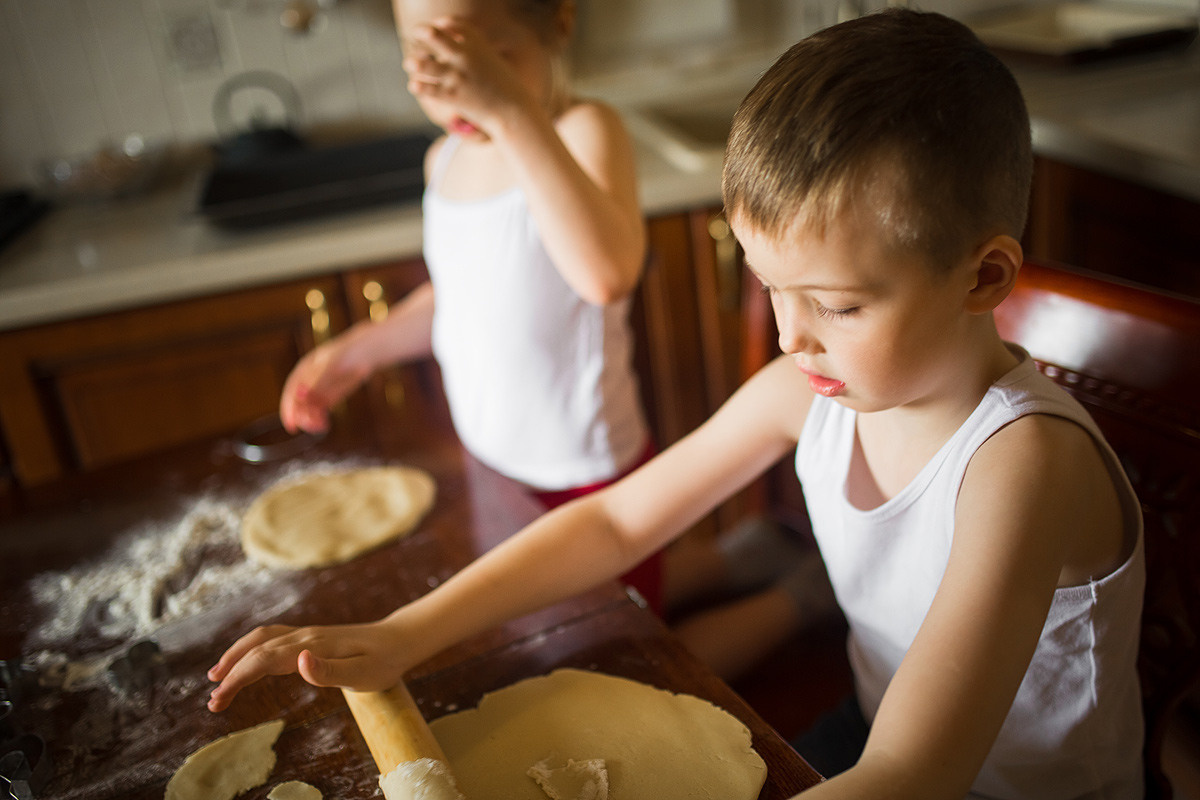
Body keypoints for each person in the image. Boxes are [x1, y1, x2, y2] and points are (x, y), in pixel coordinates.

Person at [209, 10, 1146, 798]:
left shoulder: (1023, 463)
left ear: (983, 278)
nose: (791, 336)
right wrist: (401, 636)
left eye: (837, 305)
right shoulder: (809, 392)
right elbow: (614, 522)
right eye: (772, 289)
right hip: (876, 737)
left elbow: (916, 772)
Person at [279, 0, 660, 604]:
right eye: (433, 64)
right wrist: (357, 350)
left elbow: (607, 276)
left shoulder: (583, 131)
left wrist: (510, 112)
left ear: (558, 24)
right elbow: (460, 295)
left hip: (585, 477)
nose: (462, 94)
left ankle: (776, 592)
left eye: (489, 63)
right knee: (535, 625)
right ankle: (729, 564)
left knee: (620, 635)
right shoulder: (445, 160)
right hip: (490, 463)